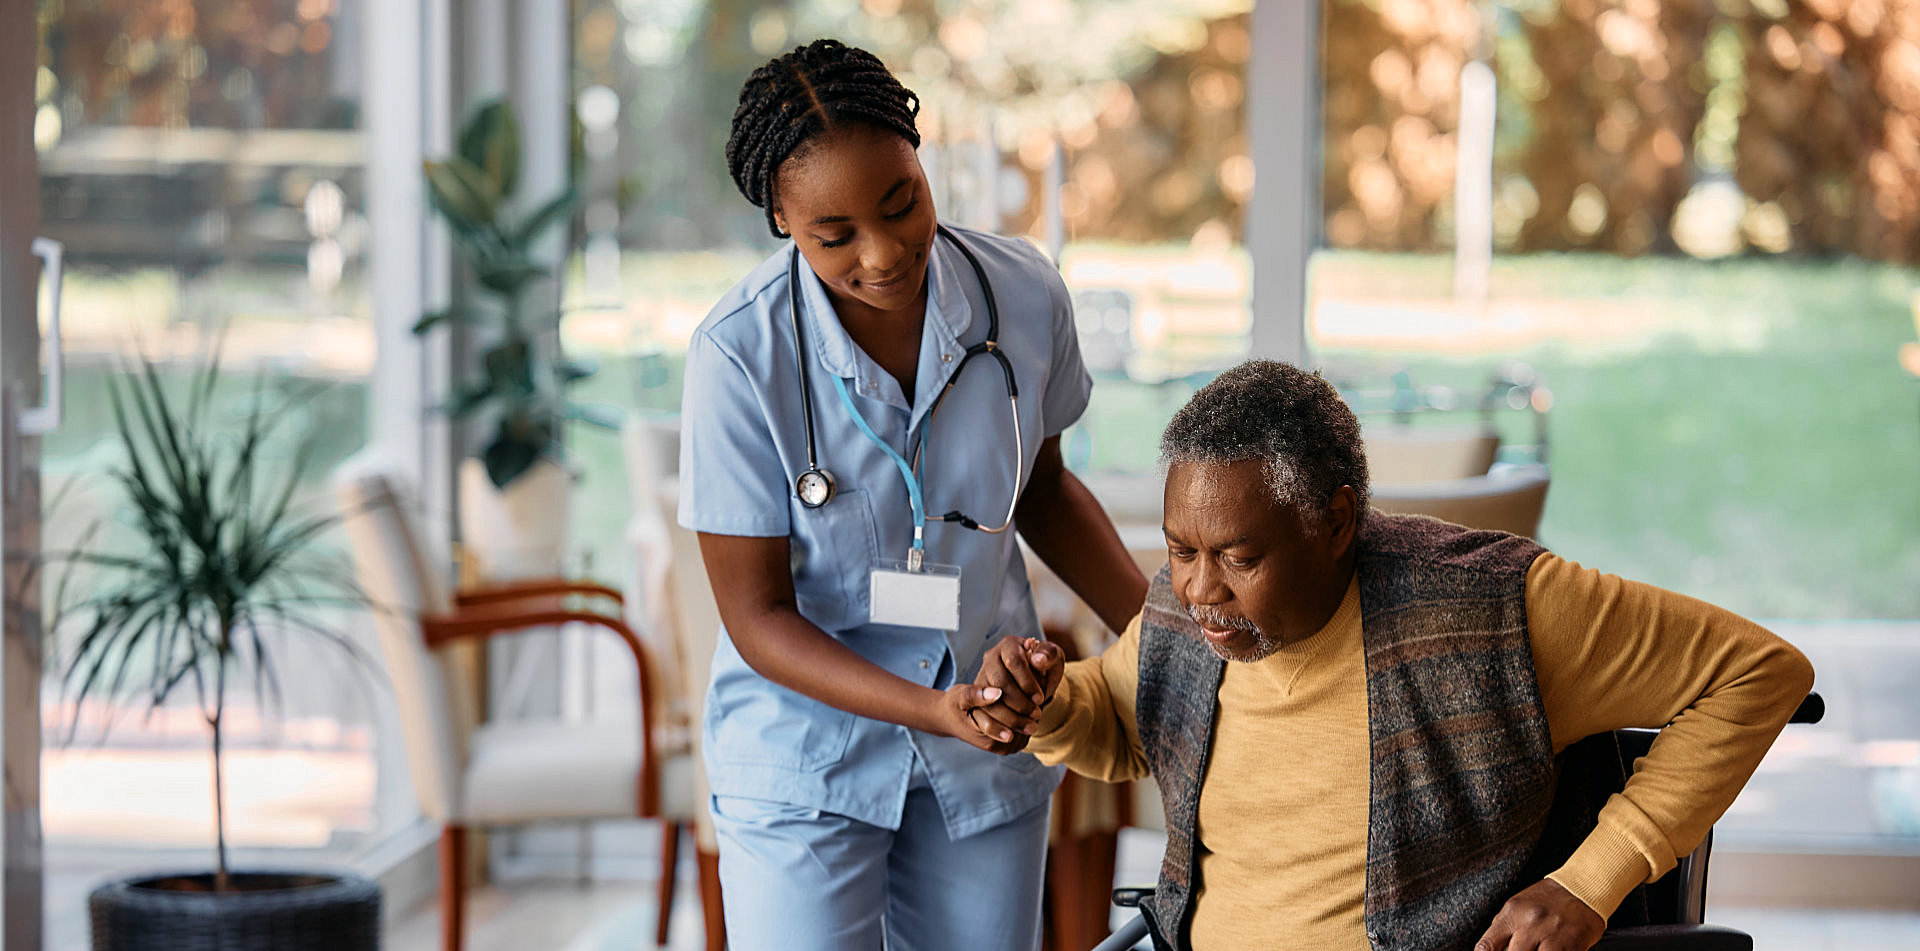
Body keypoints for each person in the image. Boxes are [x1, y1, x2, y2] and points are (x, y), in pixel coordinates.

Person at [968, 359, 1815, 951]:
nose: (1198, 589)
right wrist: (1047, 703)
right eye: (1179, 548)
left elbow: (1759, 671)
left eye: (1238, 556)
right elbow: (1124, 723)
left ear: (1337, 522)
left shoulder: (1496, 608)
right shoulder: (1183, 611)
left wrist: (1591, 881)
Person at [676, 38, 1148, 951]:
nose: (885, 254)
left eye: (903, 205)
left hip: (989, 731)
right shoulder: (738, 355)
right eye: (835, 234)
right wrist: (933, 708)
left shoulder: (1020, 293)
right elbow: (757, 615)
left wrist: (1162, 635)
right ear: (780, 217)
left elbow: (1044, 491)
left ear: (921, 158)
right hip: (805, 754)